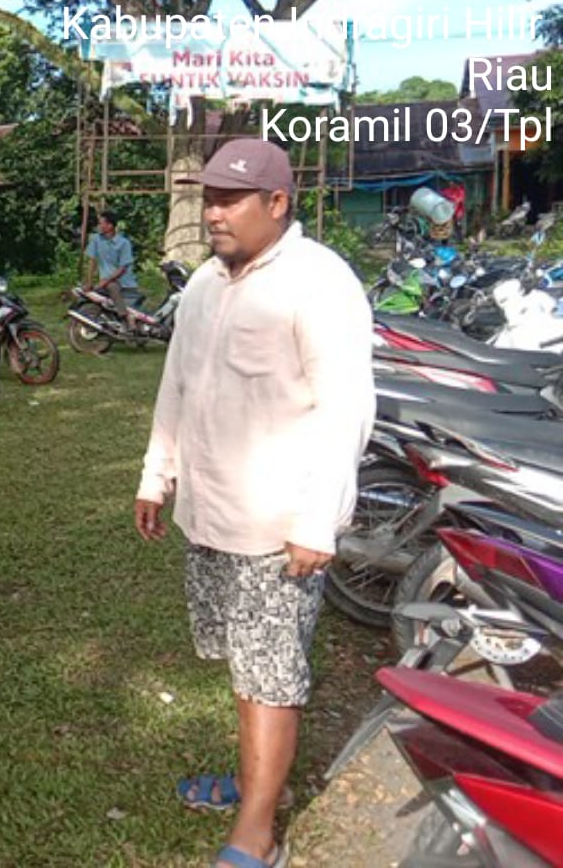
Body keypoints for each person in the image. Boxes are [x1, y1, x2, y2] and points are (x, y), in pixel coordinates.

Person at [133, 140, 374, 868]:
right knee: (243, 667)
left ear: (278, 203)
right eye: (208, 197)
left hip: (278, 527)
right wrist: (156, 474)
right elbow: (177, 386)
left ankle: (257, 830)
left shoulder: (319, 283)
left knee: (269, 679)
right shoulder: (205, 283)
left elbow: (345, 410)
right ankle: (249, 783)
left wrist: (314, 521)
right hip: (213, 514)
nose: (213, 212)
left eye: (231, 198)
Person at [85, 210, 140, 330]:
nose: (99, 226)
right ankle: (120, 319)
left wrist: (105, 281)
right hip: (105, 282)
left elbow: (123, 268)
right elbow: (92, 261)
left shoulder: (124, 243)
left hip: (123, 282)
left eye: (102, 223)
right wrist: (89, 281)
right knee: (107, 287)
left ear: (110, 226)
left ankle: (126, 316)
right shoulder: (96, 240)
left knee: (112, 286)